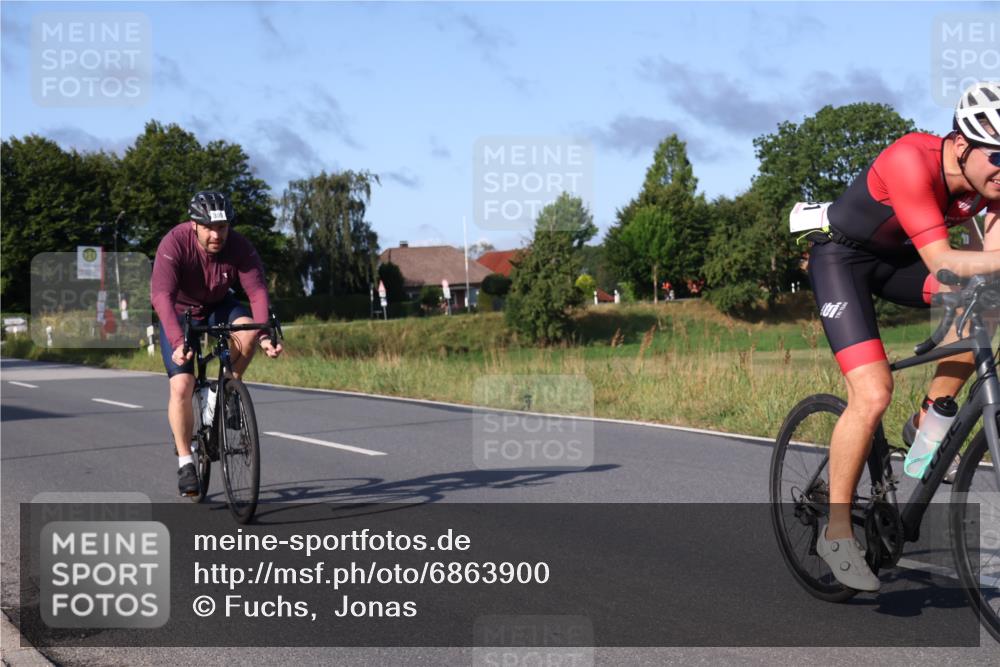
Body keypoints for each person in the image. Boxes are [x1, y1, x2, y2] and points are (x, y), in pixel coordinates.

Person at [807, 81, 1000, 591]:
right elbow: (942, 261)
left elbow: (991, 265)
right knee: (872, 394)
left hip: (899, 262)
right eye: (998, 156)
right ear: (962, 144)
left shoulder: (995, 185)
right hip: (843, 260)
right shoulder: (910, 160)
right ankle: (837, 529)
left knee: (988, 297)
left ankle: (931, 415)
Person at [151, 191, 283, 496]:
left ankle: (224, 391)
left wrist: (263, 334)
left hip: (219, 304)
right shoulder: (174, 244)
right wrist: (177, 341)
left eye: (222, 228)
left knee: (247, 333)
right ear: (194, 224)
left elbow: (257, 291)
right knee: (182, 385)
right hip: (181, 312)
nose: (216, 235)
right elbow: (162, 297)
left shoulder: (239, 246)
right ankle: (186, 461)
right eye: (209, 227)